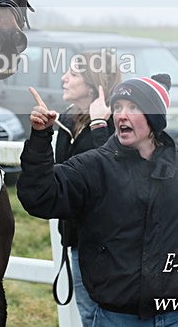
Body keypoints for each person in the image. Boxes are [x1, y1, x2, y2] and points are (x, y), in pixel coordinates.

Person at [18, 74, 178, 326]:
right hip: (118, 316)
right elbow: (40, 196)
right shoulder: (94, 166)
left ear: (154, 119)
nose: (122, 115)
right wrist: (40, 137)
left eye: (133, 107)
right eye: (118, 107)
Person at [52, 50, 120, 324]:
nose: (63, 77)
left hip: (110, 243)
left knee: (106, 316)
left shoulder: (118, 123)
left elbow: (112, 175)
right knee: (89, 315)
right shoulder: (68, 121)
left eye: (73, 73)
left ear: (93, 83)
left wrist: (99, 124)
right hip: (78, 240)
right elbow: (60, 178)